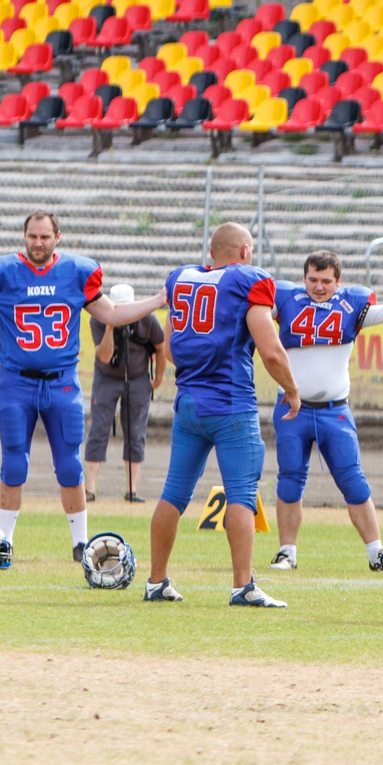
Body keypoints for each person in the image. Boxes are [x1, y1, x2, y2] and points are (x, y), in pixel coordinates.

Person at [0, 210, 166, 561]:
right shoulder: (4, 274)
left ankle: (80, 544)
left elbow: (112, 314)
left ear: (57, 237)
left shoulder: (76, 273)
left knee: (70, 466)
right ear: (24, 236)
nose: (38, 243)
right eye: (32, 236)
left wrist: (157, 300)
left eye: (45, 236)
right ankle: (5, 543)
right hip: (16, 384)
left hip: (62, 384)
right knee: (14, 463)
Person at [142, 222, 301, 607]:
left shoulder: (182, 278)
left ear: (213, 252)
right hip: (230, 404)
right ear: (245, 251)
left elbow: (171, 349)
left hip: (189, 403)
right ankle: (242, 586)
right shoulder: (248, 280)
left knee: (174, 492)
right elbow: (272, 351)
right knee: (242, 493)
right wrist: (293, 392)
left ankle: (156, 581)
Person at [266, 250, 383, 574]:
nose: (319, 286)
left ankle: (376, 553)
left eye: (326, 281)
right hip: (291, 409)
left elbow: (382, 313)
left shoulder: (350, 304)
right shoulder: (285, 299)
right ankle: (287, 552)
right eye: (313, 279)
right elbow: (257, 311)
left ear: (338, 282)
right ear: (304, 277)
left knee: (353, 481)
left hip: (334, 410)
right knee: (289, 481)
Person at [83, 282, 167, 503]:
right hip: (107, 377)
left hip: (138, 378)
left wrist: (157, 378)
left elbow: (160, 346)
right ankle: (89, 489)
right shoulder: (98, 320)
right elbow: (103, 356)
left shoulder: (147, 319)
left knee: (136, 432)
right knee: (99, 429)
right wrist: (111, 326)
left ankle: (132, 489)